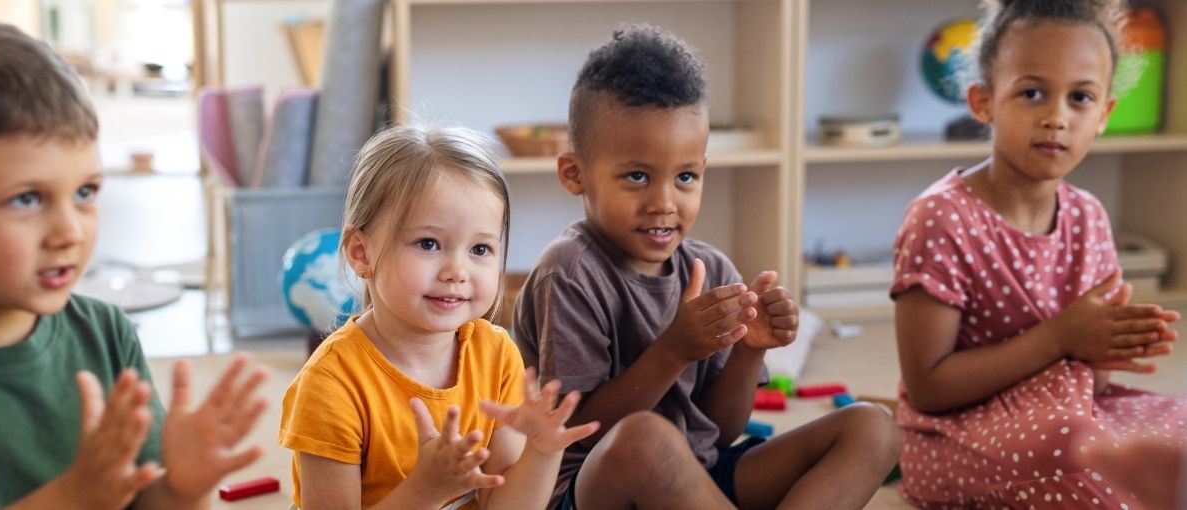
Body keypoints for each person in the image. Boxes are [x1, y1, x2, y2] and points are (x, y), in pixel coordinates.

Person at [0, 16, 269, 509]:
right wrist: (71, 498)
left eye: (85, 192)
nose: (71, 231)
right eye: (27, 199)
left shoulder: (105, 333)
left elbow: (137, 501)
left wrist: (179, 489)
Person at [513, 24, 901, 510]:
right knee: (645, 440)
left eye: (685, 177)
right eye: (637, 176)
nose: (664, 202)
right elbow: (582, 431)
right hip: (592, 489)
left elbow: (720, 430)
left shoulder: (710, 267)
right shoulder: (568, 271)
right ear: (574, 174)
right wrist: (673, 351)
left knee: (873, 429)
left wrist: (749, 353)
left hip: (698, 479)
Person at [890, 0, 1184, 506]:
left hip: (1068, 409)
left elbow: (1097, 381)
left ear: (1104, 114)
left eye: (1080, 98)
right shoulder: (941, 217)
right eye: (1032, 93)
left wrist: (1105, 345)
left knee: (1174, 431)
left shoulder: (1088, 215)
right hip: (957, 431)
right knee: (1079, 457)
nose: (1056, 117)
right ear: (983, 102)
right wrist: (1060, 337)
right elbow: (928, 389)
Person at [280, 124, 598, 510]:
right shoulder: (329, 385)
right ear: (361, 253)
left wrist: (543, 453)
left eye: (480, 248)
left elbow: (504, 505)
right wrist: (425, 490)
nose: (457, 271)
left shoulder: (496, 354)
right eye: (428, 243)